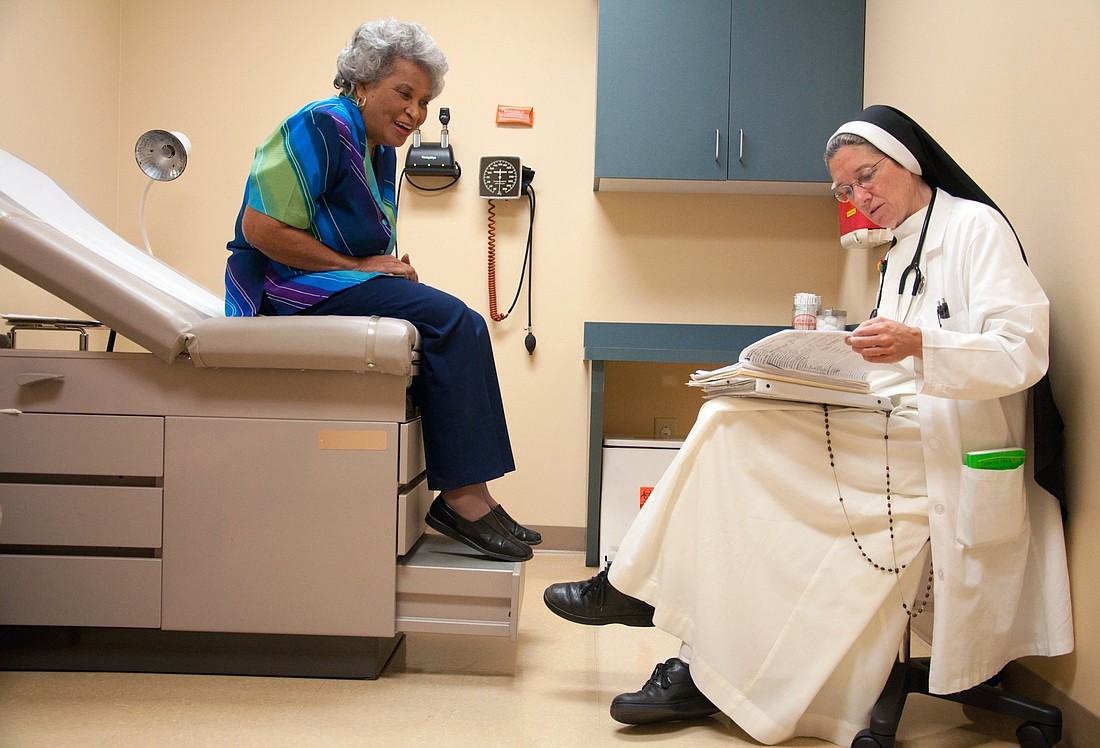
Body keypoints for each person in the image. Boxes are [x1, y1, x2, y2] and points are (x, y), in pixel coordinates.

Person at [543, 105, 1073, 745]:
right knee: (730, 420)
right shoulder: (896, 248)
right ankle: (679, 636)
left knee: (733, 436)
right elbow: (889, 364)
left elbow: (1023, 351)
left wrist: (918, 344)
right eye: (845, 190)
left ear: (909, 160)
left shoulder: (975, 229)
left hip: (946, 446)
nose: (859, 197)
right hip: (894, 426)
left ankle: (641, 595)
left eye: (867, 177)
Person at [224, 18, 537, 563]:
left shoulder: (378, 151)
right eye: (405, 94)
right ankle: (461, 497)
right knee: (455, 322)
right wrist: (362, 266)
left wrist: (384, 268)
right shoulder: (322, 124)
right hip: (286, 290)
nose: (415, 114)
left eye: (424, 100)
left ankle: (476, 492)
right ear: (363, 84)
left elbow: (362, 242)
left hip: (332, 284)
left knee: (456, 324)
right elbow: (261, 230)